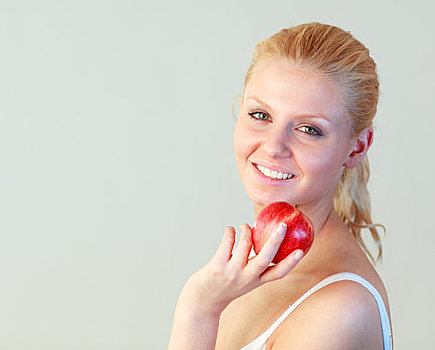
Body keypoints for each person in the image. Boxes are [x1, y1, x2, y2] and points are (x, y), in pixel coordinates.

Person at [168, 22, 392, 350]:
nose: (274, 146)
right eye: (260, 115)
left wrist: (196, 309)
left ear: (356, 147)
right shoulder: (244, 272)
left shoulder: (338, 310)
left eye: (308, 129)